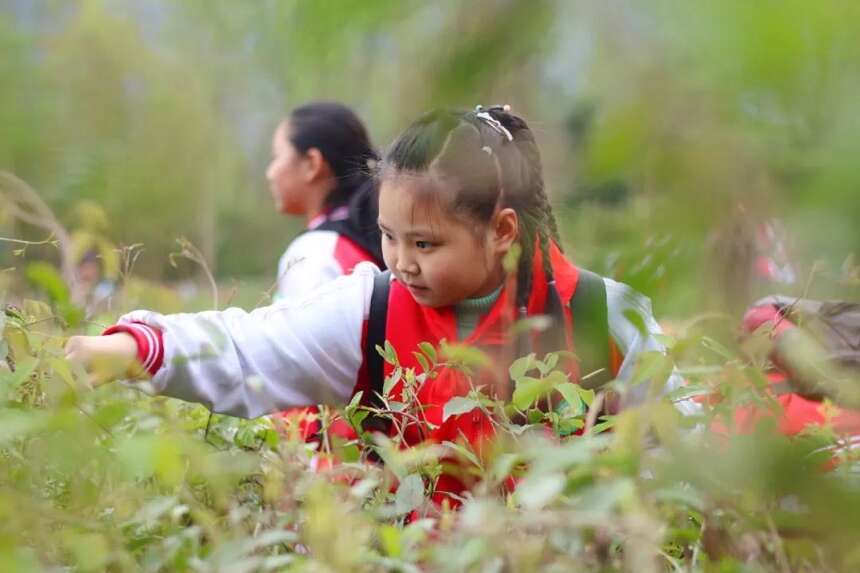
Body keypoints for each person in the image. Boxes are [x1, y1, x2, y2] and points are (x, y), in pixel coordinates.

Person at [65, 106, 692, 506]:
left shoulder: (603, 316)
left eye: (425, 243)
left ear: (502, 231)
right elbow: (249, 347)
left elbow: (685, 450)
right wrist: (135, 348)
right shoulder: (372, 309)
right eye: (389, 236)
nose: (401, 260)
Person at [265, 101, 384, 300]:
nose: (270, 173)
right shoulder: (383, 237)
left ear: (312, 164)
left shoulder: (313, 255)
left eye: (277, 156)